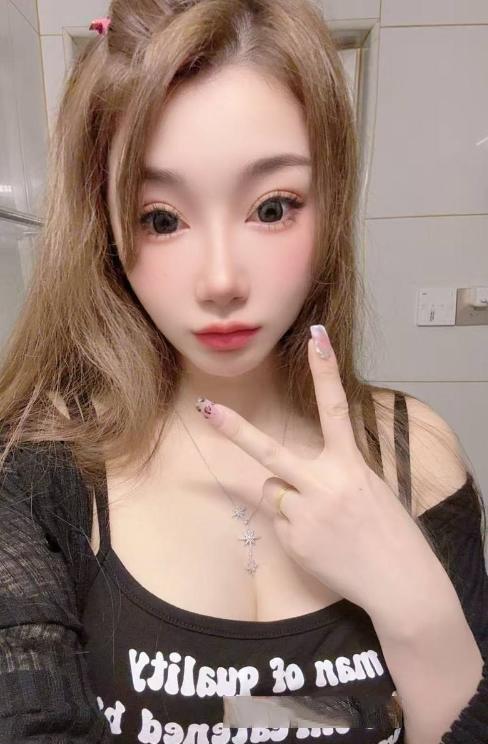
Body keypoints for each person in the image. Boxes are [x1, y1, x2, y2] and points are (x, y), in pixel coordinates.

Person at [0, 0, 486, 741]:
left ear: (330, 204)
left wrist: (415, 604)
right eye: (161, 218)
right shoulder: (33, 467)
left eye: (273, 208)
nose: (221, 279)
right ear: (106, 226)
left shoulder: (416, 452)